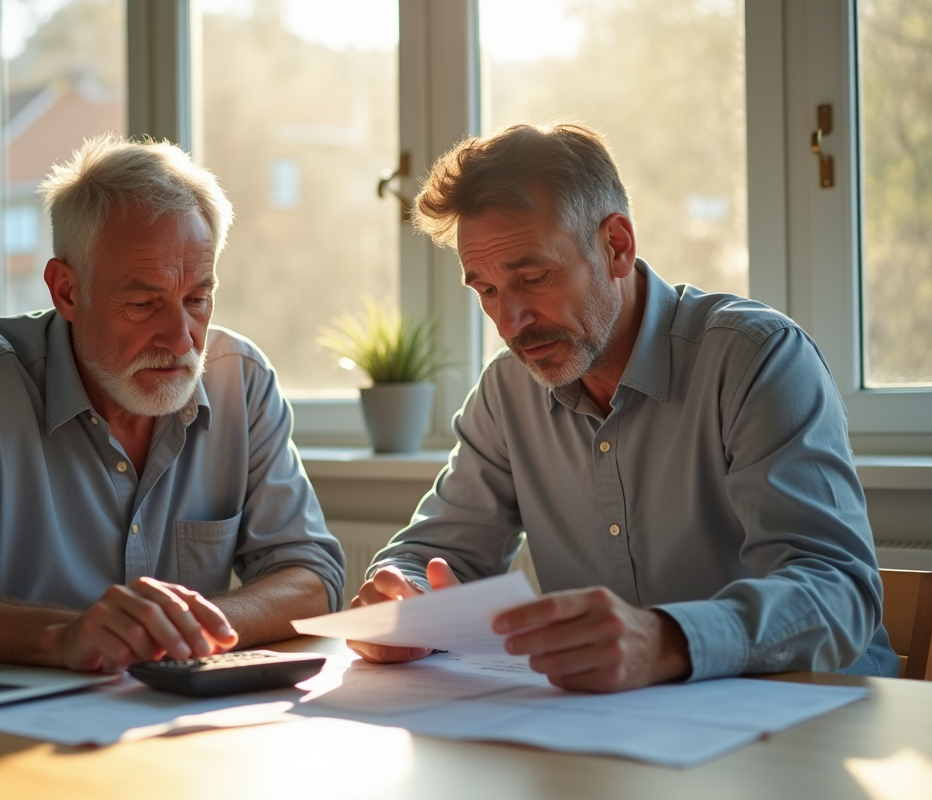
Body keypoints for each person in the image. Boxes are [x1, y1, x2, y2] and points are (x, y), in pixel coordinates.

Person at [350, 122, 897, 692]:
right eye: (486, 290)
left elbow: (837, 591)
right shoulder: (507, 393)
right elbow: (434, 553)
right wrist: (400, 595)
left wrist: (666, 639)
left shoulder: (758, 360)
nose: (509, 322)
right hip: (621, 729)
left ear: (617, 246)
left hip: (810, 716)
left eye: (532, 278)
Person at [0, 134, 345, 674]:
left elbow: (311, 575)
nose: (181, 339)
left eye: (197, 299)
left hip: (179, 719)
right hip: (10, 728)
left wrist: (185, 626)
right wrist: (62, 637)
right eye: (144, 302)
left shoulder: (241, 382)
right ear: (66, 291)